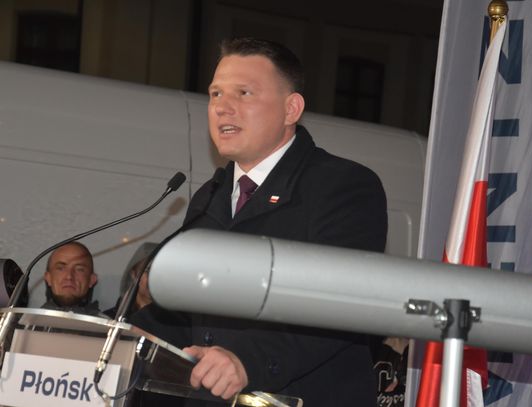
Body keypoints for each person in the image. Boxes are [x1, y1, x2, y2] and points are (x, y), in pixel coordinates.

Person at [132, 37, 387, 406]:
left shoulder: (342, 186)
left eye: (244, 93)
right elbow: (191, 313)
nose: (222, 107)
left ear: (291, 108)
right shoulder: (210, 196)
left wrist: (245, 360)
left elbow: (340, 307)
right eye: (216, 94)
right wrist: (127, 334)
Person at [42, 241, 103, 316]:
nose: (69, 276)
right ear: (48, 278)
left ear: (92, 280)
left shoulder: (108, 323)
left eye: (79, 269)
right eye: (61, 268)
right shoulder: (29, 321)